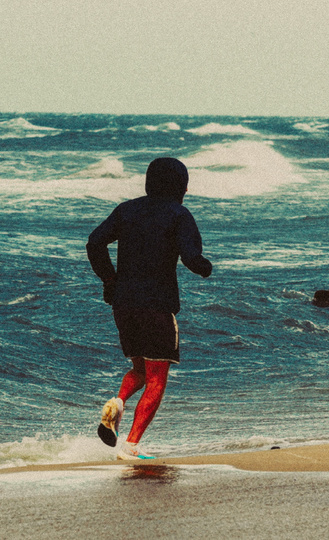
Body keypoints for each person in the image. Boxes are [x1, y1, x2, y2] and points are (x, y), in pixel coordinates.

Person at [86, 157, 212, 460]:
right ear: (181, 186)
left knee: (139, 369)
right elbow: (192, 257)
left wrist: (110, 279)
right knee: (157, 377)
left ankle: (117, 402)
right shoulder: (179, 214)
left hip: (123, 304)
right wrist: (205, 267)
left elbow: (94, 243)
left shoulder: (126, 209)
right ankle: (130, 446)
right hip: (156, 305)